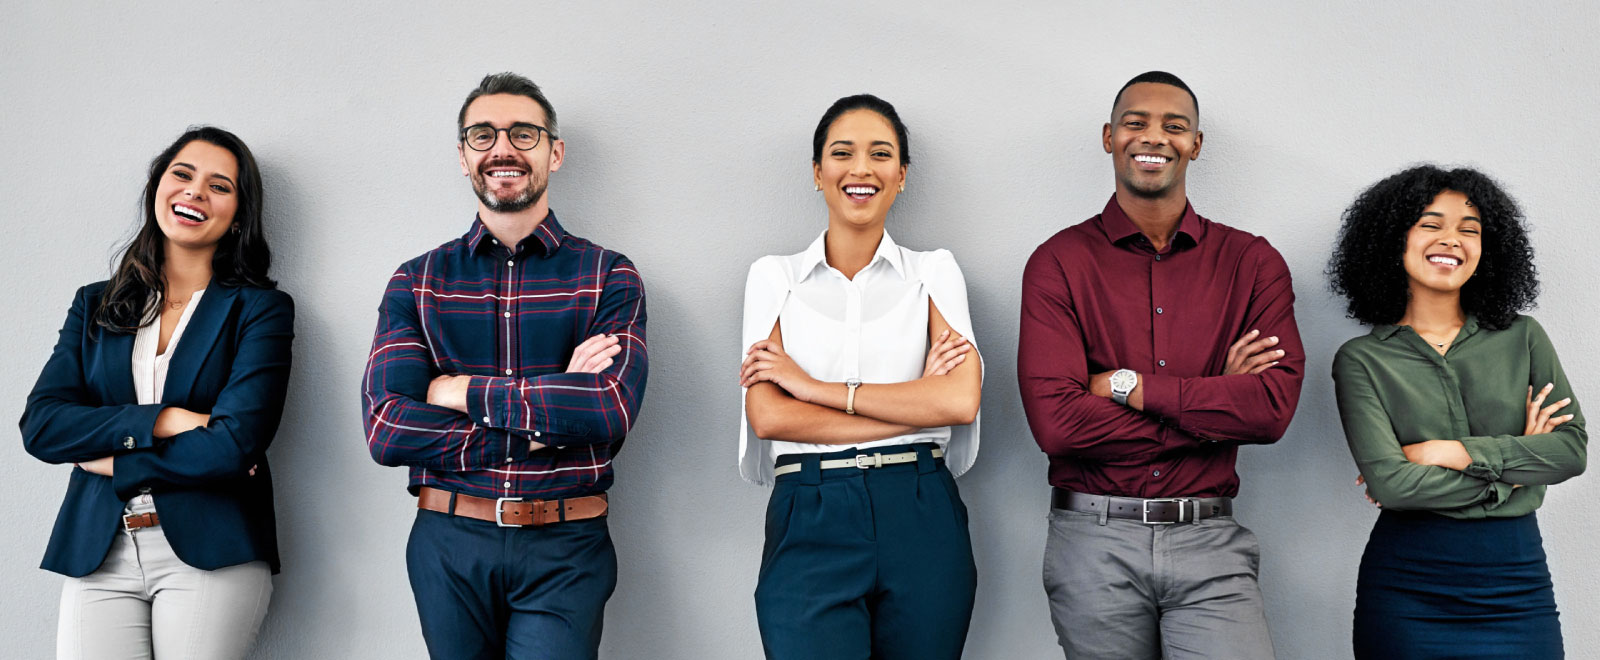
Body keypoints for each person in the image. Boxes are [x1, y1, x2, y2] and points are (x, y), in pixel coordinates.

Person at [1017, 71, 1303, 660]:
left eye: (1175, 126)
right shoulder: (1058, 263)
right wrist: (1214, 399)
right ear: (1108, 137)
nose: (1154, 137)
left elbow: (1271, 412)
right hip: (1093, 543)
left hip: (1211, 540)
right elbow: (1057, 426)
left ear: (1196, 144)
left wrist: (1128, 387)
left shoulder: (1251, 262)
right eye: (1135, 122)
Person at [362, 72, 647, 660]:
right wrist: (551, 417)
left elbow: (609, 410)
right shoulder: (417, 282)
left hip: (565, 543)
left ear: (554, 152)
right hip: (448, 540)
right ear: (463, 159)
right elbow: (388, 431)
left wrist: (458, 390)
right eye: (482, 135)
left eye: (524, 133)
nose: (502, 149)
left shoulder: (609, 276)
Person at [20, 126, 292, 660]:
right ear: (157, 189)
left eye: (220, 186)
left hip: (213, 548)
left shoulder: (260, 310)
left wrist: (109, 461)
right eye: (182, 175)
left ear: (238, 215)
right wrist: (164, 421)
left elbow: (234, 446)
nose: (194, 192)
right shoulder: (94, 305)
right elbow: (44, 426)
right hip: (98, 547)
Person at [738, 93, 982, 659]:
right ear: (817, 172)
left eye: (881, 154)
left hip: (920, 509)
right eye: (842, 152)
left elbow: (960, 401)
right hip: (810, 507)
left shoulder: (933, 272)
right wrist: (911, 408)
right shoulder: (774, 278)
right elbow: (770, 415)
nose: (861, 169)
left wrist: (815, 389)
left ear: (901, 175)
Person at [1328, 165, 1585, 659]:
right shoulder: (1362, 360)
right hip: (1408, 591)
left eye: (1470, 229)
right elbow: (1392, 486)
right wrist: (1514, 473)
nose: (1453, 239)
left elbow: (1571, 451)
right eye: (1431, 224)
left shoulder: (1523, 338)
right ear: (1393, 239)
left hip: (1517, 587)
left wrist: (1445, 452)